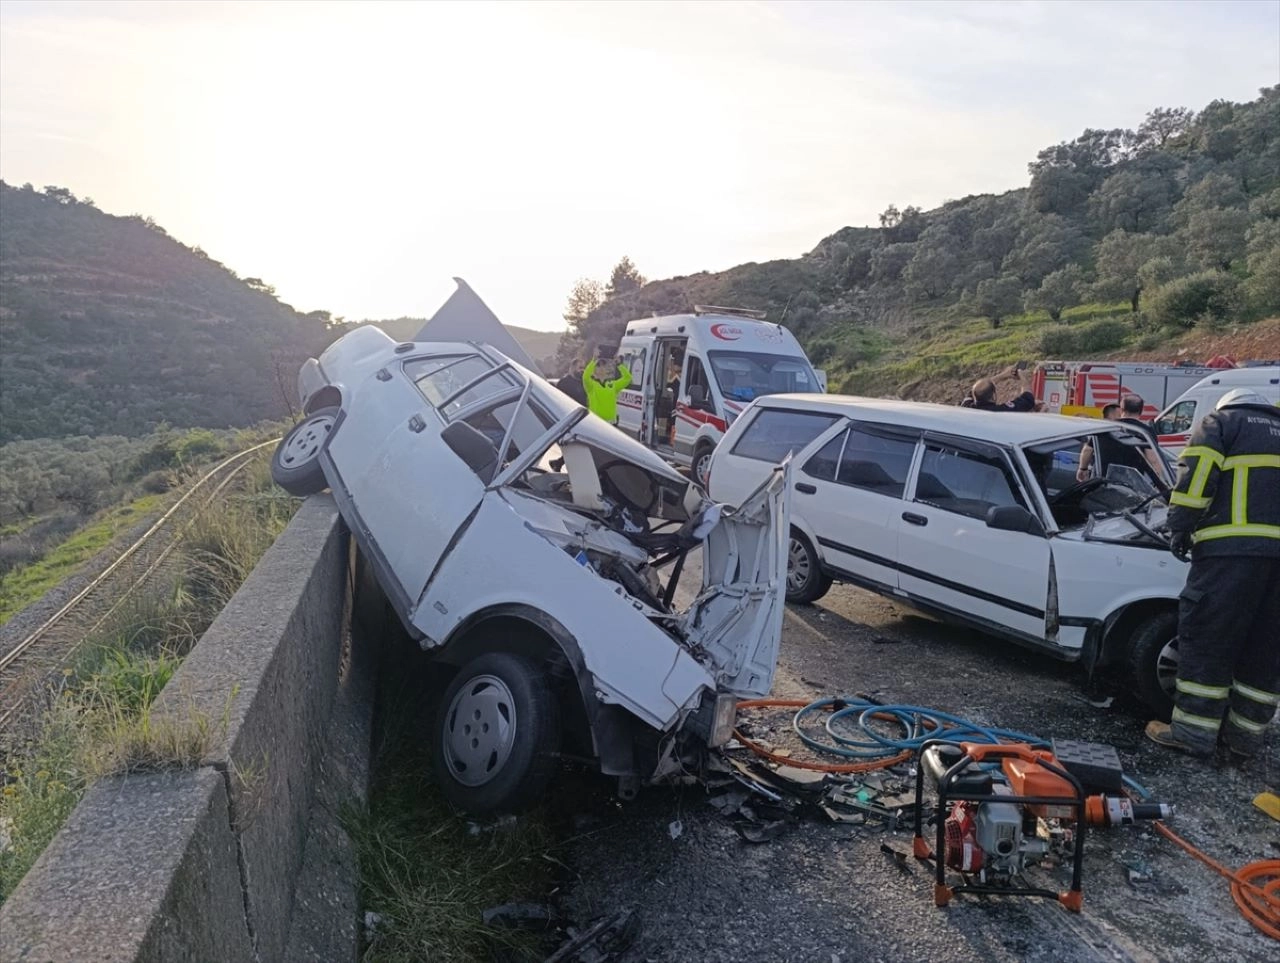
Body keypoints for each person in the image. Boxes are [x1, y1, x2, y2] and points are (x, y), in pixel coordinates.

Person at [1145, 388, 1280, 760]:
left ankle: (1193, 733)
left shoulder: (1220, 423)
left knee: (1209, 637)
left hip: (1230, 555)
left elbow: (1196, 480)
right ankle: (1243, 741)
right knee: (1266, 649)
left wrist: (1179, 526)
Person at [1076, 397, 1165, 482]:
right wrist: (1159, 482)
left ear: (1122, 409)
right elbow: (1153, 460)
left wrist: (1082, 469)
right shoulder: (1145, 431)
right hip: (1131, 485)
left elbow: (1088, 450)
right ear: (1141, 411)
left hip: (1102, 481)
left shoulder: (1105, 427)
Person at [583, 353, 632, 425]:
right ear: (593, 371)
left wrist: (619, 365)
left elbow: (628, 378)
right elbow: (585, 377)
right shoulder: (591, 385)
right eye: (598, 366)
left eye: (603, 365)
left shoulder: (613, 385)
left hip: (611, 422)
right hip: (595, 422)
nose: (602, 368)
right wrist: (593, 361)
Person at [962, 377, 1039, 412]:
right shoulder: (999, 411)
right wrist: (1023, 376)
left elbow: (974, 390)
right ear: (994, 396)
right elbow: (1027, 399)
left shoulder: (966, 408)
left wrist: (1004, 375)